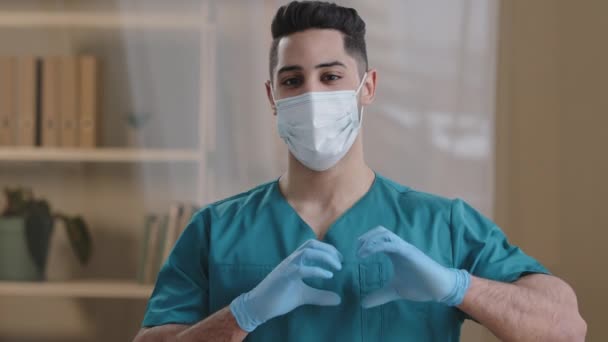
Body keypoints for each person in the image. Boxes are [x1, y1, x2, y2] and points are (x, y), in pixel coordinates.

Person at [134, 1, 586, 341]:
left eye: (331, 77)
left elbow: (566, 328)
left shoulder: (441, 225)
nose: (311, 95)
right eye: (293, 80)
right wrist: (246, 312)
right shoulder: (216, 229)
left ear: (367, 87)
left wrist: (456, 287)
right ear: (273, 97)